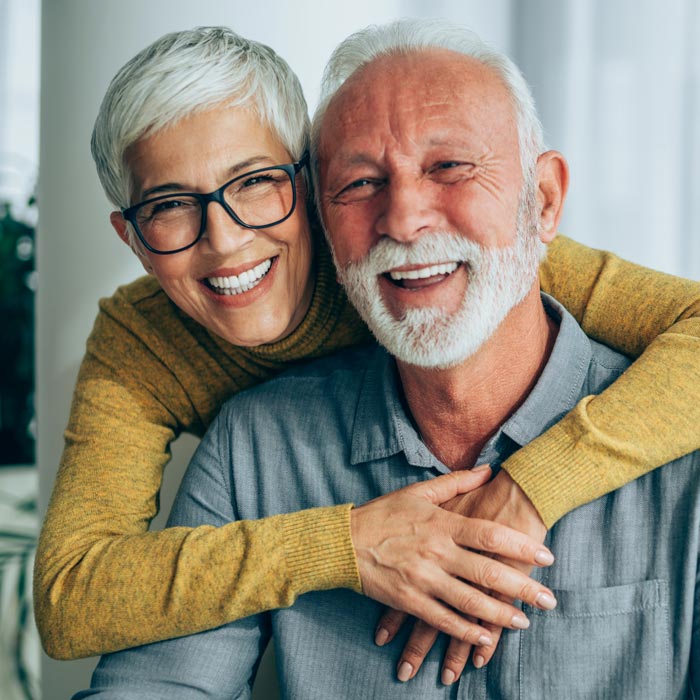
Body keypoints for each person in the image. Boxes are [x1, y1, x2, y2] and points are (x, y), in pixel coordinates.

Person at [36, 23, 700, 671]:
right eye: (170, 204)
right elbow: (70, 598)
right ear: (131, 236)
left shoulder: (430, 251)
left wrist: (531, 489)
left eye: (255, 182)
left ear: (304, 189)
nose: (225, 239)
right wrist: (346, 544)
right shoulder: (151, 354)